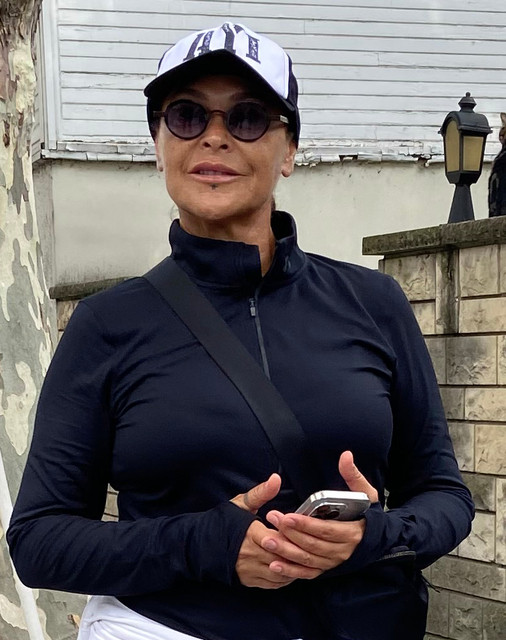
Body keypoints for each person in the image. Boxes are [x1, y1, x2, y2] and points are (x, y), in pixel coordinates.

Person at [8, 22, 474, 640]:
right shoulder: (107, 325)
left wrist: (375, 536)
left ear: (290, 152)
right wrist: (204, 545)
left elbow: (445, 496)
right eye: (186, 116)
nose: (215, 136)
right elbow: (39, 540)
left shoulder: (373, 303)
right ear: (158, 145)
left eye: (249, 117)